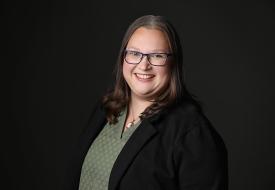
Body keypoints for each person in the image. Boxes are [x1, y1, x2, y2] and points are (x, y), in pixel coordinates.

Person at [66, 15, 228, 190]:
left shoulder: (193, 133)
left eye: (157, 56)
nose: (144, 65)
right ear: (123, 58)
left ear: (173, 64)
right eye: (134, 53)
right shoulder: (106, 110)